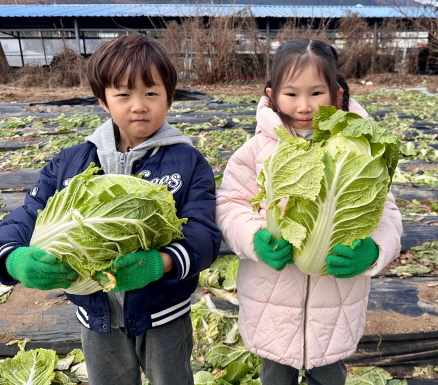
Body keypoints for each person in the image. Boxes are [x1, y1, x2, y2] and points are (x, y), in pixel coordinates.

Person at [0, 34, 221, 385]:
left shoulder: (188, 162)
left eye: (151, 93)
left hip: (163, 313)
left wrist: (160, 262)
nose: (138, 105)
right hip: (96, 314)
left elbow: (204, 232)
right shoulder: (71, 161)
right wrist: (12, 257)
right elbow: (29, 213)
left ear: (170, 97)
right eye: (123, 94)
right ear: (103, 101)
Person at [216, 39, 402, 385]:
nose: (304, 106)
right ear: (272, 95)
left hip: (336, 305)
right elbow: (229, 204)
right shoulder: (256, 149)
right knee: (274, 373)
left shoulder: (361, 149)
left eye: (317, 93)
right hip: (271, 301)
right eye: (291, 94)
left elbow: (386, 212)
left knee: (330, 375)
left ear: (337, 96)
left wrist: (375, 250)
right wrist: (254, 238)